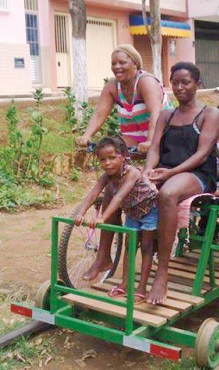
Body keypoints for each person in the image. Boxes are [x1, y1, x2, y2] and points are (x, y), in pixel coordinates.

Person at [75, 44, 172, 281]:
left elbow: (156, 114)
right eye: (114, 63)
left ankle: (152, 241)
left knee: (142, 189)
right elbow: (100, 113)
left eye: (123, 62)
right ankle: (104, 256)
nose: (117, 67)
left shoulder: (146, 82)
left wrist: (151, 139)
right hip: (133, 144)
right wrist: (87, 135)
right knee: (112, 186)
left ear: (136, 63)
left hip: (163, 141)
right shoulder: (113, 86)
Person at [143, 62, 219, 304]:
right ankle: (116, 263)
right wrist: (147, 171)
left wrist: (169, 173)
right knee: (129, 187)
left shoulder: (210, 114)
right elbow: (154, 148)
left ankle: (162, 272)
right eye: (175, 82)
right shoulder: (166, 115)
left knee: (167, 194)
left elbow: (202, 154)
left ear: (198, 84)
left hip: (197, 174)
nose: (179, 87)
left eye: (185, 82)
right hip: (166, 170)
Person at [73, 136, 159, 303]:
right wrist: (80, 213)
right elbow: (93, 194)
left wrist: (103, 217)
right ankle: (125, 284)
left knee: (147, 247)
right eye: (102, 160)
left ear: (123, 156)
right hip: (133, 212)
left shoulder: (132, 172)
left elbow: (119, 197)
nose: (107, 163)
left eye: (112, 158)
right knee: (129, 247)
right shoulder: (106, 176)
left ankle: (141, 288)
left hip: (150, 210)